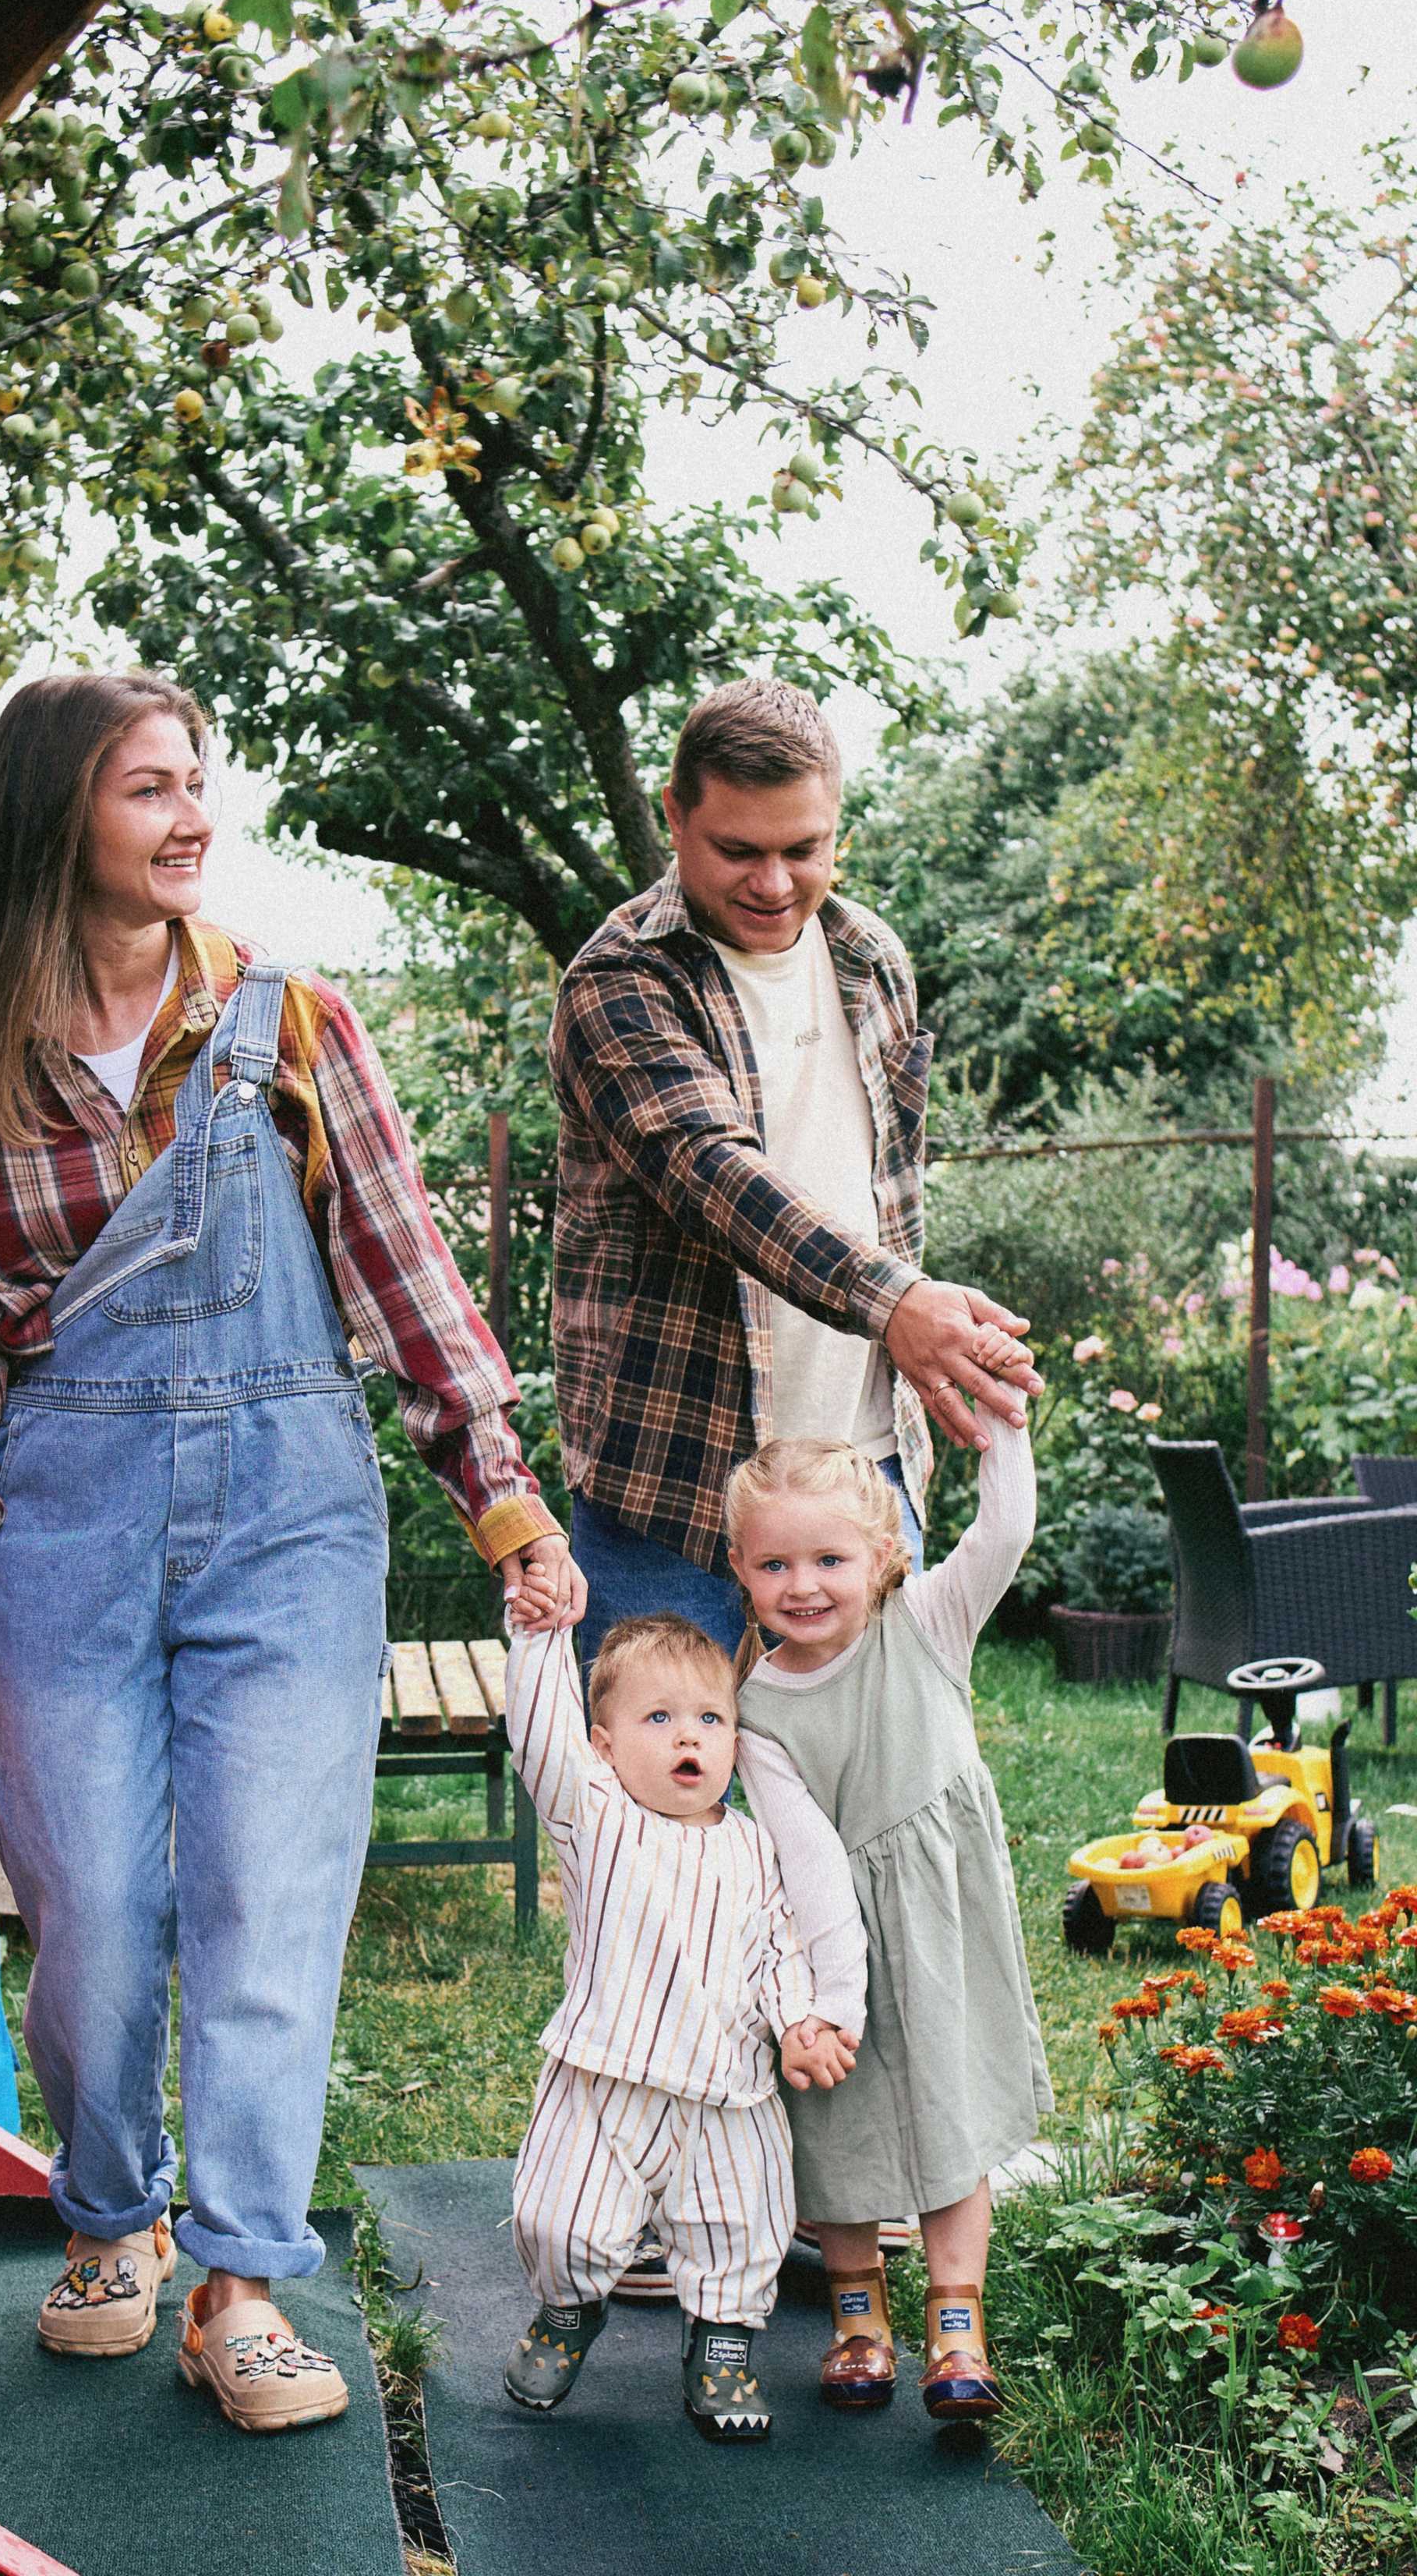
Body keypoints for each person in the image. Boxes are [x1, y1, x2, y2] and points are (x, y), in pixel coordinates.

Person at [0, 671, 585, 2436]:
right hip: (64, 1521)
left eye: (197, 784)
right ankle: (109, 2215)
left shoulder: (289, 1027)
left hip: (289, 1519)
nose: (190, 817)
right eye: (145, 790)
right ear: (57, 820)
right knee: (98, 1910)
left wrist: (493, 1492)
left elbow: (405, 1274)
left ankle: (242, 2282)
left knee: (273, 1901)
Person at [549, 675, 1041, 1668]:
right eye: (739, 850)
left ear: (837, 830)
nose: (773, 882)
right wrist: (898, 1303)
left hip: (862, 1481)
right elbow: (714, 1176)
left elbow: (884, 1196)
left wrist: (928, 1341)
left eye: (801, 849)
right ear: (674, 817)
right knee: (659, 1816)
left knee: (874, 1805)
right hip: (672, 1492)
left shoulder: (872, 960)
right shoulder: (620, 979)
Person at [730, 1417, 1051, 2421]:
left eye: (829, 1556)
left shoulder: (928, 1622)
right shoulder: (756, 1707)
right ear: (739, 1568)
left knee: (949, 2111)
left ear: (881, 1554)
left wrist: (1003, 1424)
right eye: (774, 1562)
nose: (804, 1583)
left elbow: (1004, 1531)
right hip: (837, 1942)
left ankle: (957, 2323)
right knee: (840, 2121)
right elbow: (812, 1860)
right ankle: (858, 2316)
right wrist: (830, 1999)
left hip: (943, 1924)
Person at [499, 1605, 857, 2441]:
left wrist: (800, 2018)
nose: (685, 1736)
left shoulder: (756, 1847)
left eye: (709, 1717)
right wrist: (540, 1636)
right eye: (656, 1718)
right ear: (604, 1744)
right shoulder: (595, 1820)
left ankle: (722, 2345)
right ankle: (567, 2310)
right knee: (561, 2216)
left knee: (741, 2222)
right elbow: (540, 1735)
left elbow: (779, 1945)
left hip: (728, 2093)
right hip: (604, 2074)